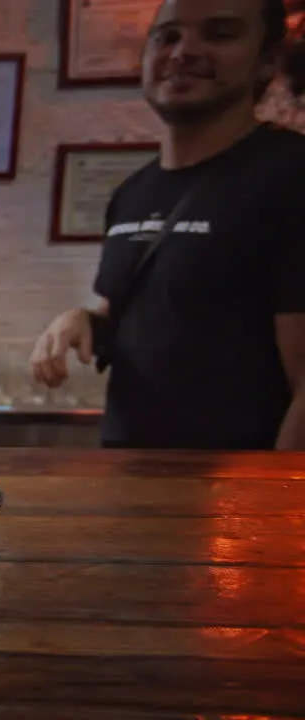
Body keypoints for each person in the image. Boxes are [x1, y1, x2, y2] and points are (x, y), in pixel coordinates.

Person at [31, 0, 305, 450]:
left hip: (234, 502)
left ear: (267, 62)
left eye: (219, 34)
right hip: (130, 478)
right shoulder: (134, 191)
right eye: (168, 36)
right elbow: (150, 317)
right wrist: (83, 320)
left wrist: (273, 507)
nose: (183, 52)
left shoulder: (290, 175)